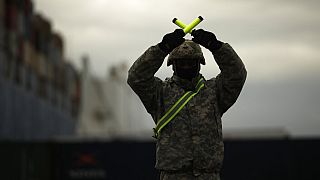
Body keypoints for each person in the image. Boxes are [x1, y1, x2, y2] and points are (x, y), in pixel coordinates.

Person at [127, 28, 247, 180]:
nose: (186, 66)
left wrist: (217, 47)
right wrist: (161, 48)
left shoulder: (215, 91)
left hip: (208, 176)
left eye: (191, 62)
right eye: (181, 62)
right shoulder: (159, 93)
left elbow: (237, 74)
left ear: (199, 63)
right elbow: (136, 77)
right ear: (172, 64)